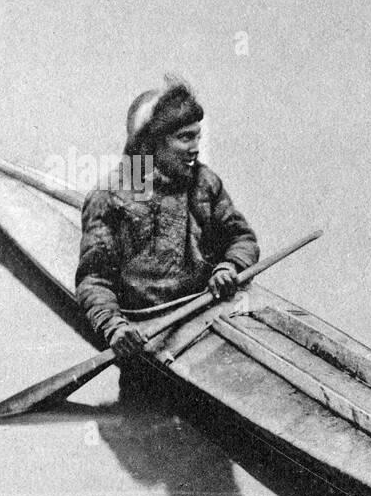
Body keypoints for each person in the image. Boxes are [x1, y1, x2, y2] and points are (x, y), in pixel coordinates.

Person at [75, 77, 259, 364]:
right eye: (185, 138)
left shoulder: (204, 182)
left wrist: (229, 266)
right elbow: (94, 280)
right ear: (153, 142)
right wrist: (114, 327)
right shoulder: (109, 197)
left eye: (197, 137)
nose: (195, 148)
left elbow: (241, 238)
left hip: (206, 309)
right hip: (146, 325)